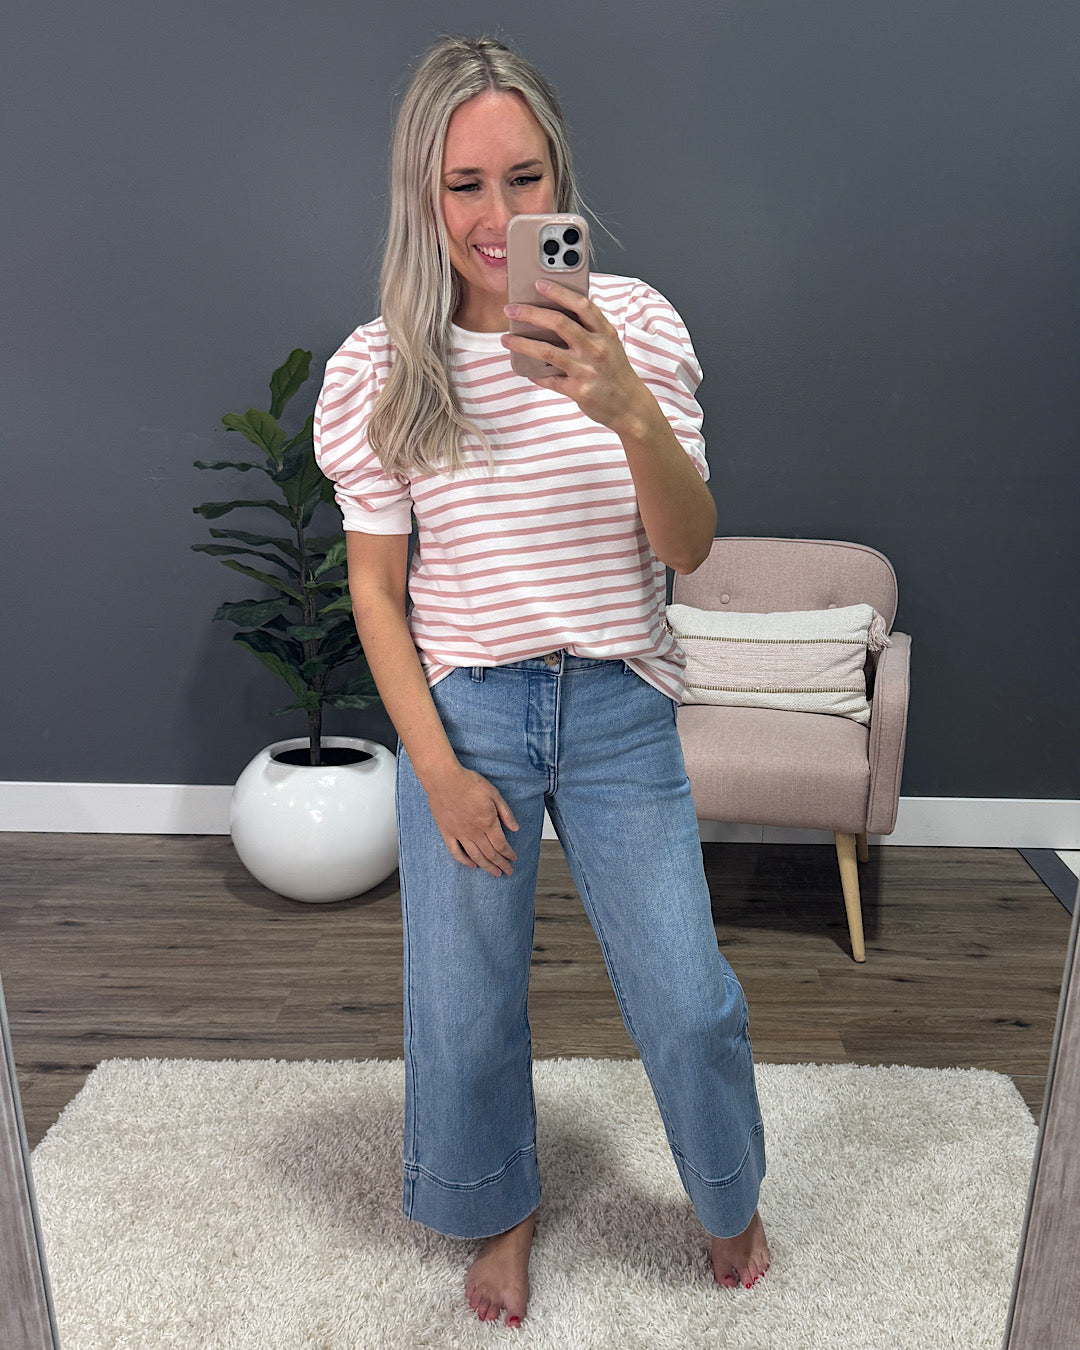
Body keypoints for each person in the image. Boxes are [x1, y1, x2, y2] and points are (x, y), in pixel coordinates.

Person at [314, 33, 770, 1329]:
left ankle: (727, 1190)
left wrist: (624, 404)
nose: (495, 214)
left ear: (560, 179)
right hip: (469, 713)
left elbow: (690, 547)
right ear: (422, 192)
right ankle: (497, 1210)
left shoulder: (639, 328)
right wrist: (438, 770)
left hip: (620, 703)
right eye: (464, 184)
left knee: (688, 1000)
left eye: (523, 179)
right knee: (465, 1007)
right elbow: (377, 593)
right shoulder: (380, 367)